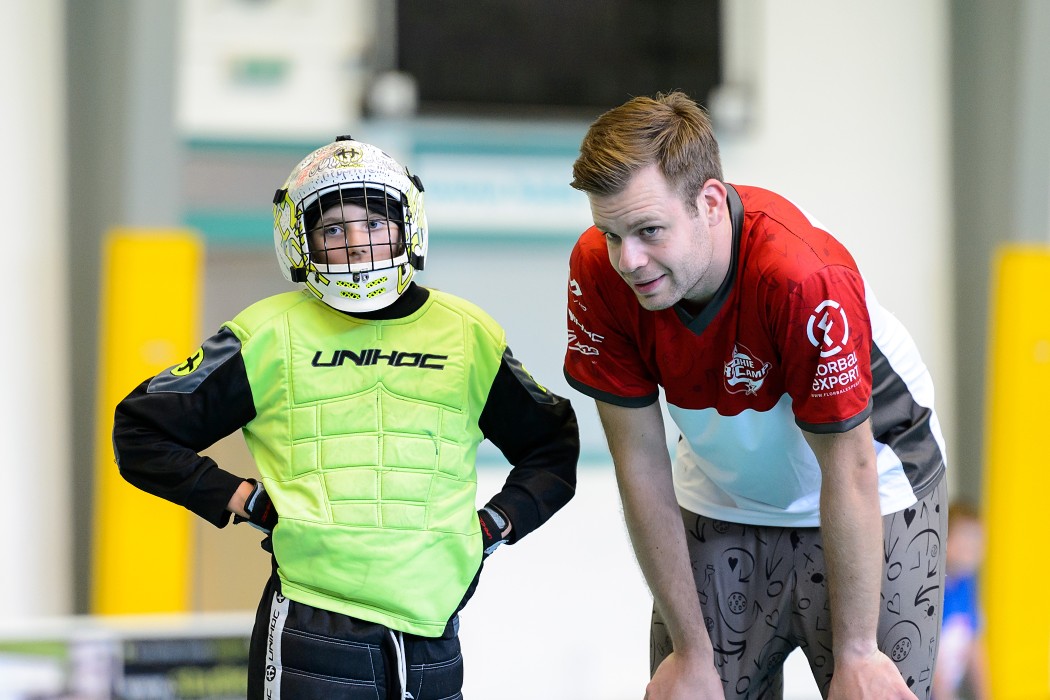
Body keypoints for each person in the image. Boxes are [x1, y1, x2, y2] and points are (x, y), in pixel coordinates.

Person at [113, 136, 579, 699]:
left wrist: (492, 527)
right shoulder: (267, 333)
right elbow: (140, 430)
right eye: (333, 229)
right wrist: (245, 500)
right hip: (314, 621)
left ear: (407, 227)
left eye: (373, 223)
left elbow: (552, 447)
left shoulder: (468, 334)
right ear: (300, 241)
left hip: (434, 632)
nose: (356, 244)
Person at [563, 91, 948, 699]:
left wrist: (857, 650)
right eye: (610, 233)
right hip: (724, 496)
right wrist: (690, 650)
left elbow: (848, 468)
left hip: (873, 485)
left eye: (649, 231)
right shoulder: (599, 270)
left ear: (710, 202)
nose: (628, 260)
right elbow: (638, 459)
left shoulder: (802, 277)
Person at [932, 502, 990, 700]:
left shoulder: (967, 583)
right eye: (964, 541)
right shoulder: (934, 587)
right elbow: (932, 660)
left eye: (977, 543)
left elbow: (975, 645)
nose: (971, 550)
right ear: (945, 539)